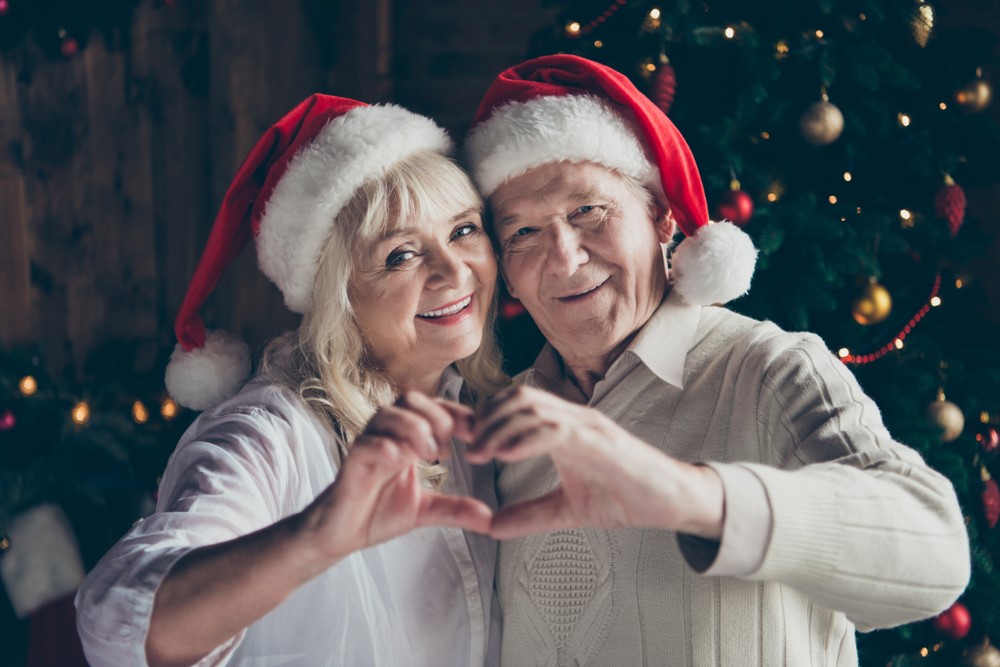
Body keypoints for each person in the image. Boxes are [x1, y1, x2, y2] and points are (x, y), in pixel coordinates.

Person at [460, 55, 970, 666]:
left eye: (587, 212)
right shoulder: (496, 422)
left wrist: (690, 495)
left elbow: (935, 553)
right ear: (507, 276)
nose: (564, 259)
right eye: (523, 233)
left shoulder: (772, 371)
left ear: (661, 218)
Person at [75, 94, 508, 666]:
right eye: (401, 255)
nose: (454, 271)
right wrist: (318, 537)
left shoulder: (484, 412)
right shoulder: (266, 434)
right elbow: (120, 624)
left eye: (463, 231)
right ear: (338, 294)